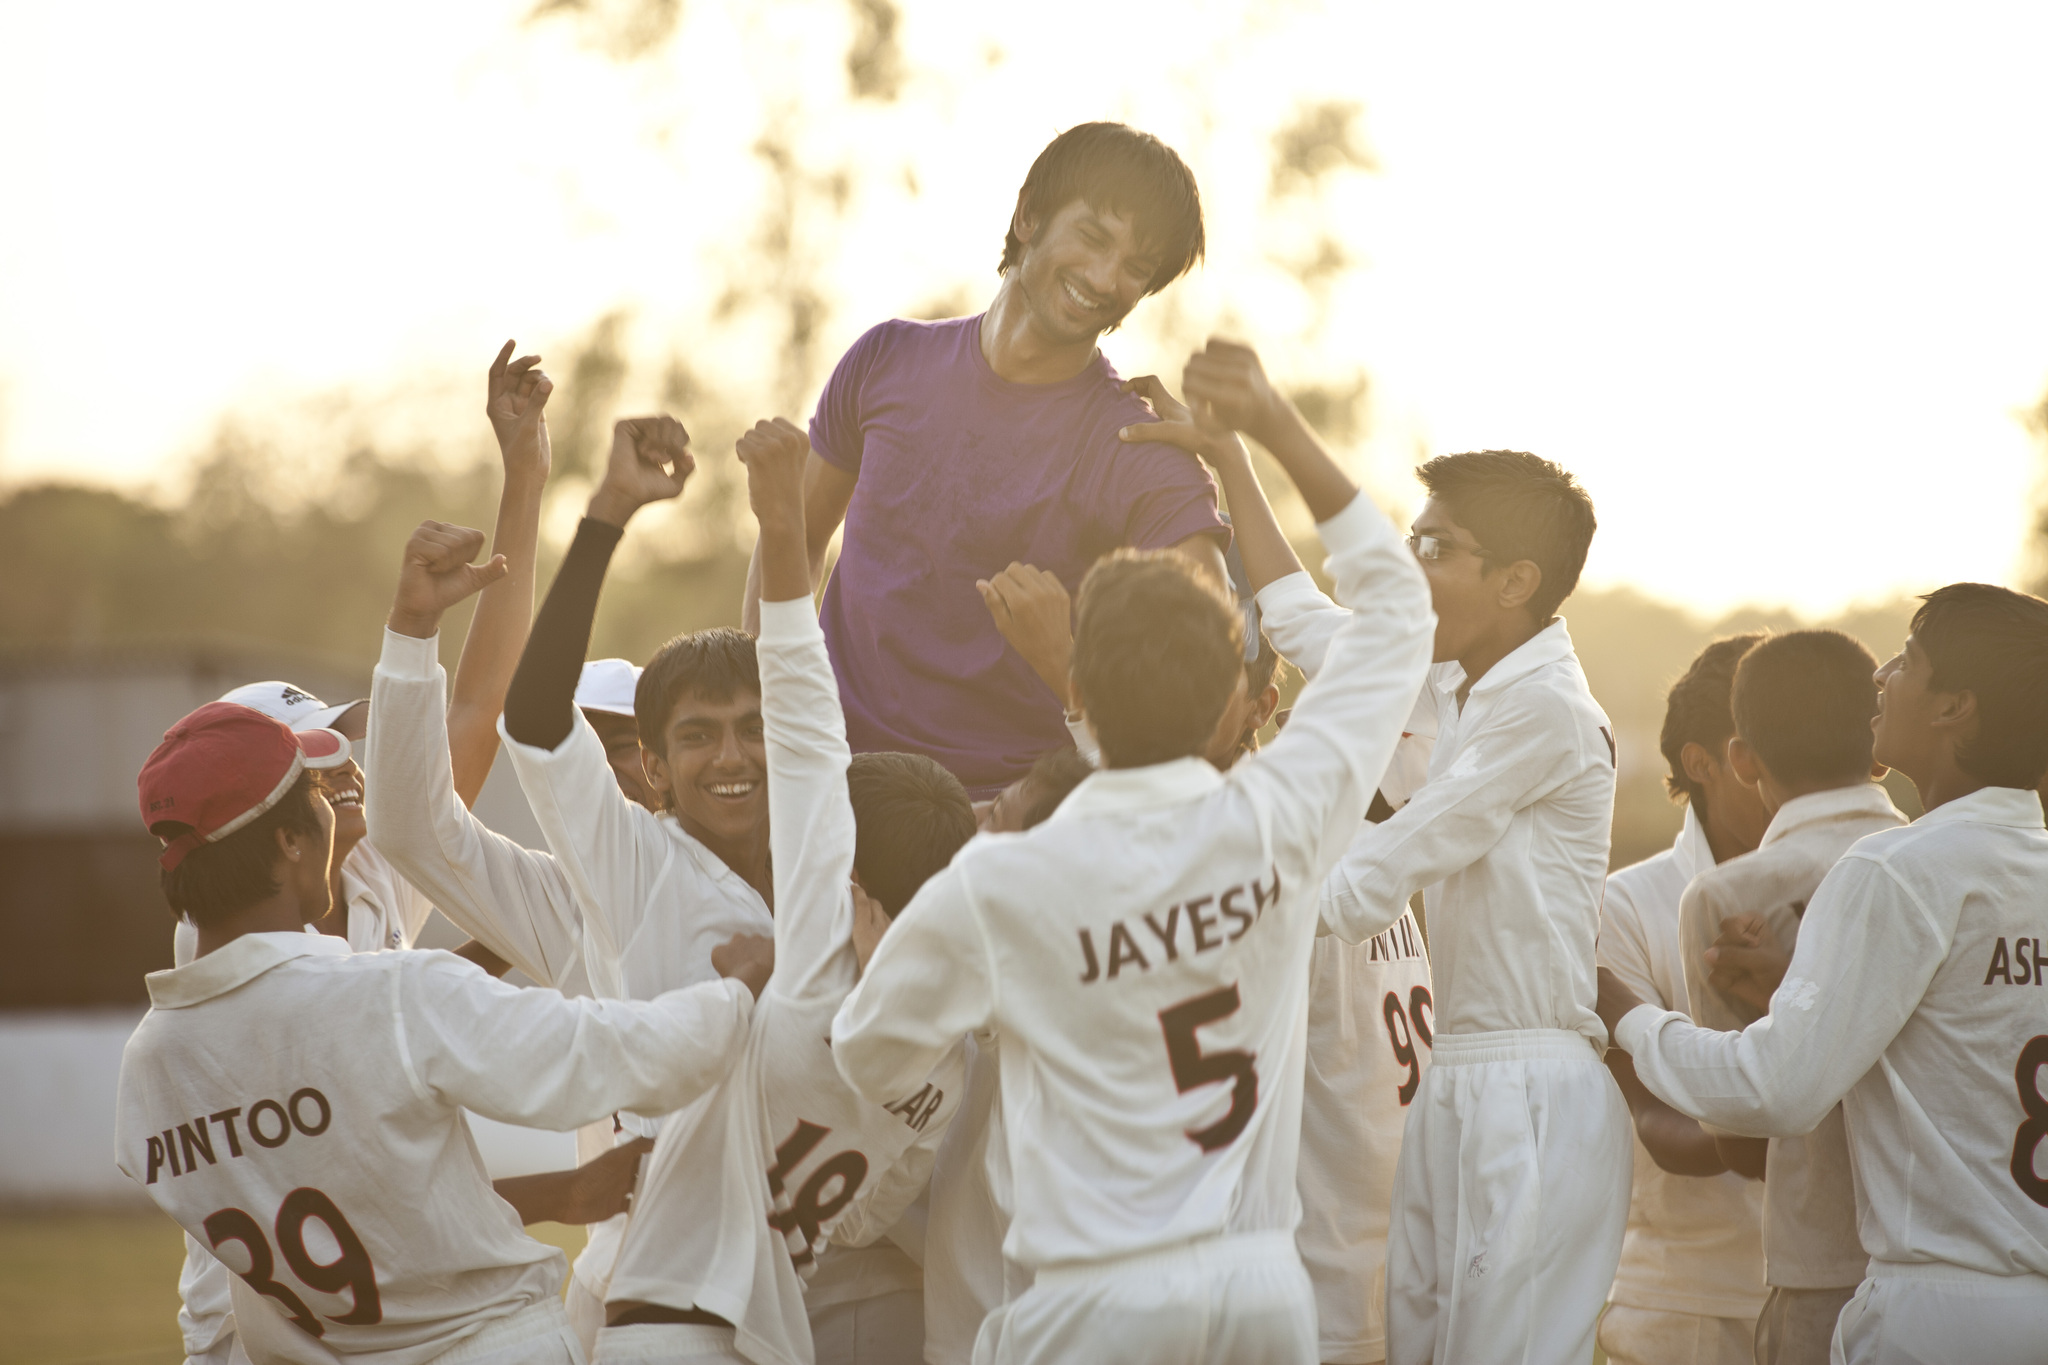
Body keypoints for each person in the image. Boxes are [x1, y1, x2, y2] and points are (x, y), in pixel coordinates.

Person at [831, 337, 1435, 1365]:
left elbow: (866, 1053)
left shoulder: (1003, 879)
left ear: (1075, 689)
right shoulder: (1279, 816)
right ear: (1229, 700)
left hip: (1091, 1301)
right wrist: (1273, 428)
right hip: (1259, 1292)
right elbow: (1396, 614)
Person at [116, 699, 773, 1365]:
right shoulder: (390, 996)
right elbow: (603, 1056)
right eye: (314, 790)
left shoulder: (147, 1070)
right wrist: (737, 990)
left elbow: (372, 1197)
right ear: (289, 840)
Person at [169, 342, 557, 1365]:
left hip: (373, 1312)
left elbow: (472, 710)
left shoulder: (362, 868)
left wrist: (525, 478)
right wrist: (569, 1192)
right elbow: (365, 1133)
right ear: (258, 818)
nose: (348, 771)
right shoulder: (227, 954)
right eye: (315, 763)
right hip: (253, 1335)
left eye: (342, 744)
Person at [595, 417, 976, 1365]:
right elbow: (859, 1221)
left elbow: (806, 726)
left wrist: (782, 517)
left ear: (847, 885)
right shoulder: (957, 1054)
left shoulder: (801, 989)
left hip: (672, 1311)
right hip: (836, 1307)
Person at [1599, 582, 2048, 1364]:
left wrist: (1629, 1018)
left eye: (1908, 659)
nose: (1882, 676)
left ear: (1954, 708)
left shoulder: (1894, 869)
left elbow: (1776, 1088)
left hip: (1935, 1312)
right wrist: (1808, 983)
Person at [743, 121, 1230, 798]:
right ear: (1028, 214)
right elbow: (788, 545)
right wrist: (767, 728)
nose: (1103, 277)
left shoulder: (1141, 449)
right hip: (830, 796)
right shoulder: (885, 360)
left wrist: (1071, 666)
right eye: (1092, 237)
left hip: (1005, 831)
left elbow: (1216, 673)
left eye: (1136, 268)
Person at [1118, 368, 1437, 1365]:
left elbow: (1325, 625)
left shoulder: (1279, 837)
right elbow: (1313, 618)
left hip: (1328, 1272)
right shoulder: (1397, 796)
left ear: (1260, 707)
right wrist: (1227, 457)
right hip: (1382, 1252)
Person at [1299, 437, 1624, 1363]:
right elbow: (1304, 623)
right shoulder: (1460, 685)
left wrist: (1197, 895)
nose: (1412, 566)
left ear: (1518, 580)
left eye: (1435, 548)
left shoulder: (1546, 709)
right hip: (1457, 1072)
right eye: (1412, 540)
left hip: (1532, 1086)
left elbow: (1369, 882)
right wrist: (1234, 459)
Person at [1666, 631, 1906, 1363]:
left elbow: (1739, 1142)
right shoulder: (1936, 864)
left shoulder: (1728, 898)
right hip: (1947, 1257)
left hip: (1819, 1264)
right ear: (1879, 747)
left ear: (1741, 758)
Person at [1593, 636, 1770, 1365]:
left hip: (1838, 1291)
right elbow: (1657, 1125)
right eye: (1763, 746)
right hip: (1681, 1303)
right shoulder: (1625, 904)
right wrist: (1772, 1123)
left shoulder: (1857, 882)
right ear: (1701, 763)